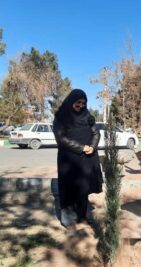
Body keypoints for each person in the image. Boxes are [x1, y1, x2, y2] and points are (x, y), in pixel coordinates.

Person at [53, 89, 103, 227]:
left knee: (84, 189)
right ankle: (68, 221)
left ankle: (82, 217)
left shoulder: (88, 116)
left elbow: (96, 133)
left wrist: (92, 146)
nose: (81, 105)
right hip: (68, 160)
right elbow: (61, 138)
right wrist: (82, 148)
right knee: (68, 189)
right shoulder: (61, 117)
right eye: (78, 103)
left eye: (83, 103)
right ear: (71, 101)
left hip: (86, 159)